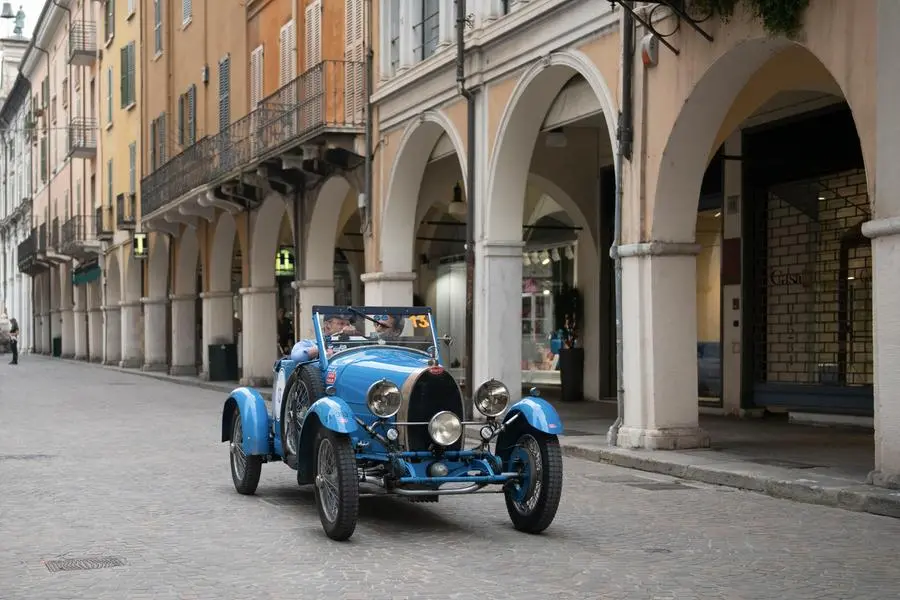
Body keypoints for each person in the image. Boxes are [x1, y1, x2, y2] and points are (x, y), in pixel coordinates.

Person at [289, 313, 356, 362]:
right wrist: (322, 349)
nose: (346, 327)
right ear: (327, 325)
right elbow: (296, 356)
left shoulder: (355, 343)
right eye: (341, 324)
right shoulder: (311, 343)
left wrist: (355, 336)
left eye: (347, 324)